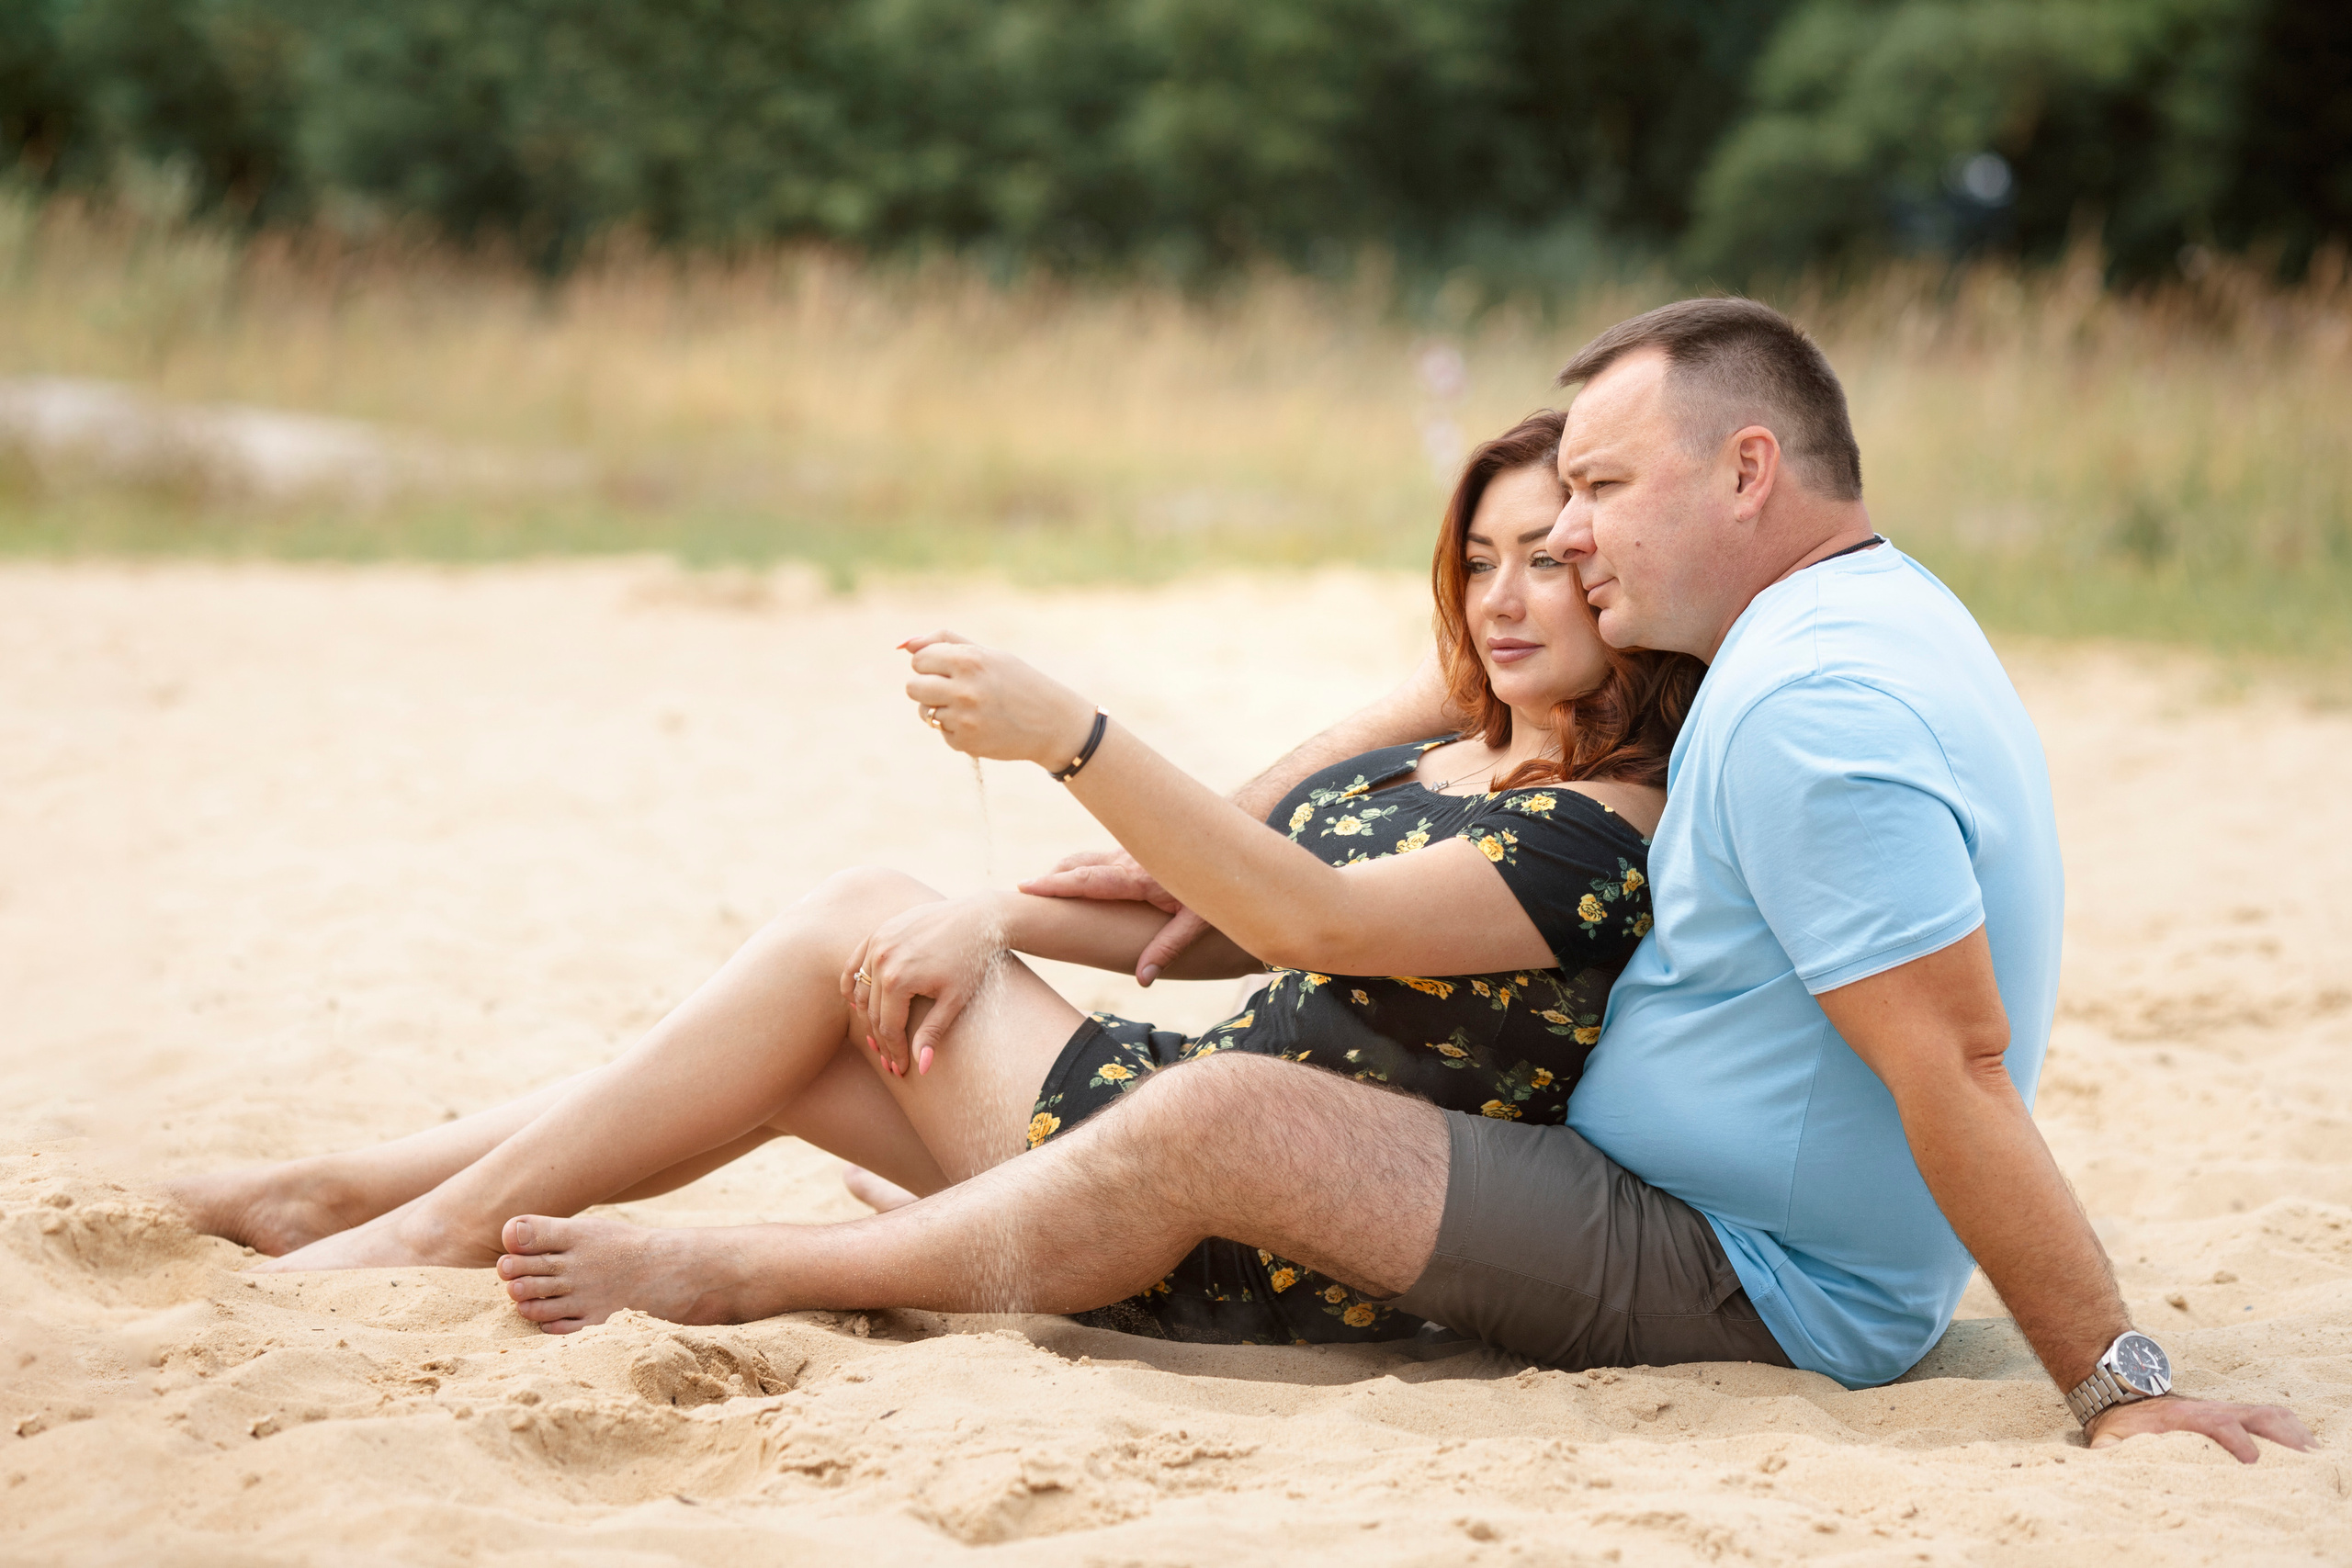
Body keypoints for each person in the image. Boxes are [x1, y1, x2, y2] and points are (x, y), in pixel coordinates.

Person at [479, 299, 2304, 1462]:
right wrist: (1440, 673)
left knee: (1220, 1117)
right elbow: (1431, 727)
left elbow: (1952, 1062)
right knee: (882, 1000)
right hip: (1642, 1189)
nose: (1565, 543)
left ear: (1745, 469)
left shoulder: (1801, 711)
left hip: (1749, 1272)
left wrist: (2121, 1377)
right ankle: (407, 1200)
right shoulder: (1827, 616)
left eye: (1592, 492)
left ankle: (750, 1266)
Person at [170, 409, 1720, 1350]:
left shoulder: (1598, 836)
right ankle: (359, 1194)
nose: (1507, 596)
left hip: (1234, 1224)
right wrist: (987, 914)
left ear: (1617, 573)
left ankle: (411, 1228)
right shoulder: (1455, 750)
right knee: (812, 1008)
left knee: (849, 927)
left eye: (1549, 558)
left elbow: (1303, 919)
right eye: (1476, 559)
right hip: (1158, 1093)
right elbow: (1188, 923)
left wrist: (1076, 739)